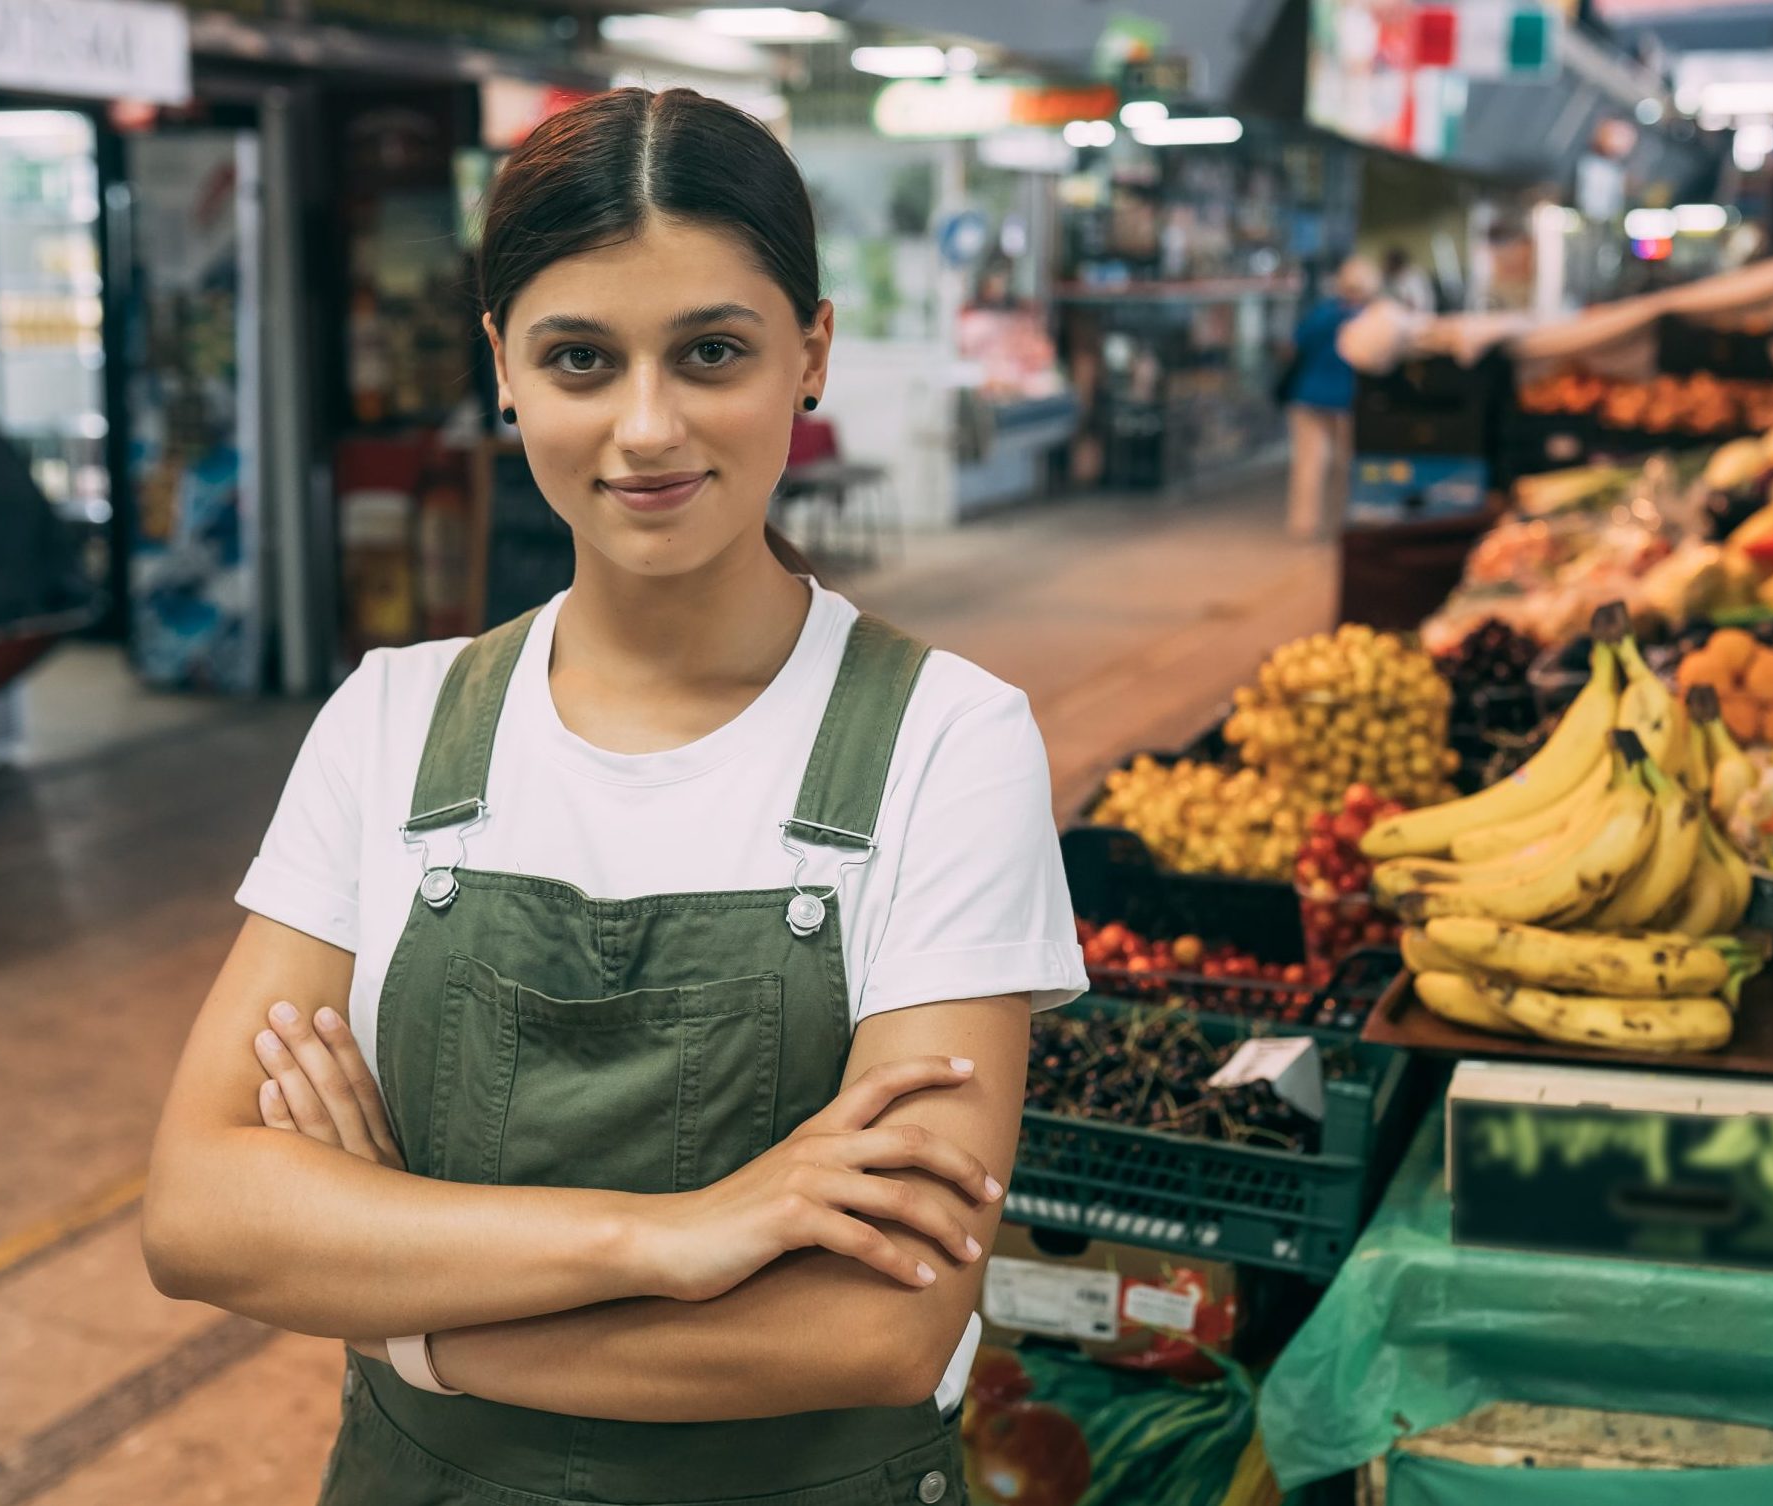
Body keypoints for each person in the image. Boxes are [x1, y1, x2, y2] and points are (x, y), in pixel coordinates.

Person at [142, 88, 1087, 1506]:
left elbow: (883, 1321)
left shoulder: (948, 742)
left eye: (711, 351)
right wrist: (676, 1237)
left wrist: (400, 1292)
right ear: (503, 369)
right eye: (580, 358)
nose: (646, 429)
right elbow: (201, 1212)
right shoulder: (391, 723)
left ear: (809, 352)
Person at [1280, 258, 1379, 541]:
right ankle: (1348, 520)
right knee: (1348, 465)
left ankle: (1304, 525)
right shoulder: (1370, 320)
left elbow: (1294, 346)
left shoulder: (1323, 313)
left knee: (1309, 464)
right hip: (1348, 400)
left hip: (1309, 396)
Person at [1382, 246, 1435, 315]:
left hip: (1422, 315)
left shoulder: (1413, 276)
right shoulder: (1391, 278)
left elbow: (1418, 304)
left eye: (1388, 264)